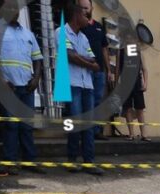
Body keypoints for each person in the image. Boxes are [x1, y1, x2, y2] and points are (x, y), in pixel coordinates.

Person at [0, 0, 44, 175]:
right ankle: (10, 162)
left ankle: (29, 161)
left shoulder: (28, 33)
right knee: (10, 126)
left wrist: (36, 78)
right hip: (7, 87)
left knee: (26, 125)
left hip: (27, 87)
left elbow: (37, 58)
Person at [58, 0, 101, 174]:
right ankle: (72, 159)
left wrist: (84, 60)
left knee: (88, 125)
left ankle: (89, 162)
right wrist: (87, 62)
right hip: (72, 84)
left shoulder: (83, 38)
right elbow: (70, 56)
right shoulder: (61, 32)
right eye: (85, 15)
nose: (88, 18)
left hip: (87, 85)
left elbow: (94, 61)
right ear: (76, 15)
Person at [81, 0, 111, 140]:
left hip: (99, 71)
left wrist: (109, 70)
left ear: (92, 8)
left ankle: (97, 131)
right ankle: (85, 131)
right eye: (81, 8)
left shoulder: (99, 27)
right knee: (85, 101)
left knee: (98, 100)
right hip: (84, 70)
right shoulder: (78, 27)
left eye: (86, 7)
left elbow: (104, 49)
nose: (84, 10)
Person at [119, 45, 149, 141]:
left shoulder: (138, 51)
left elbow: (144, 69)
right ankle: (131, 134)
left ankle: (144, 134)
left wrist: (145, 83)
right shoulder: (121, 51)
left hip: (137, 83)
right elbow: (118, 70)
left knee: (140, 108)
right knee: (127, 109)